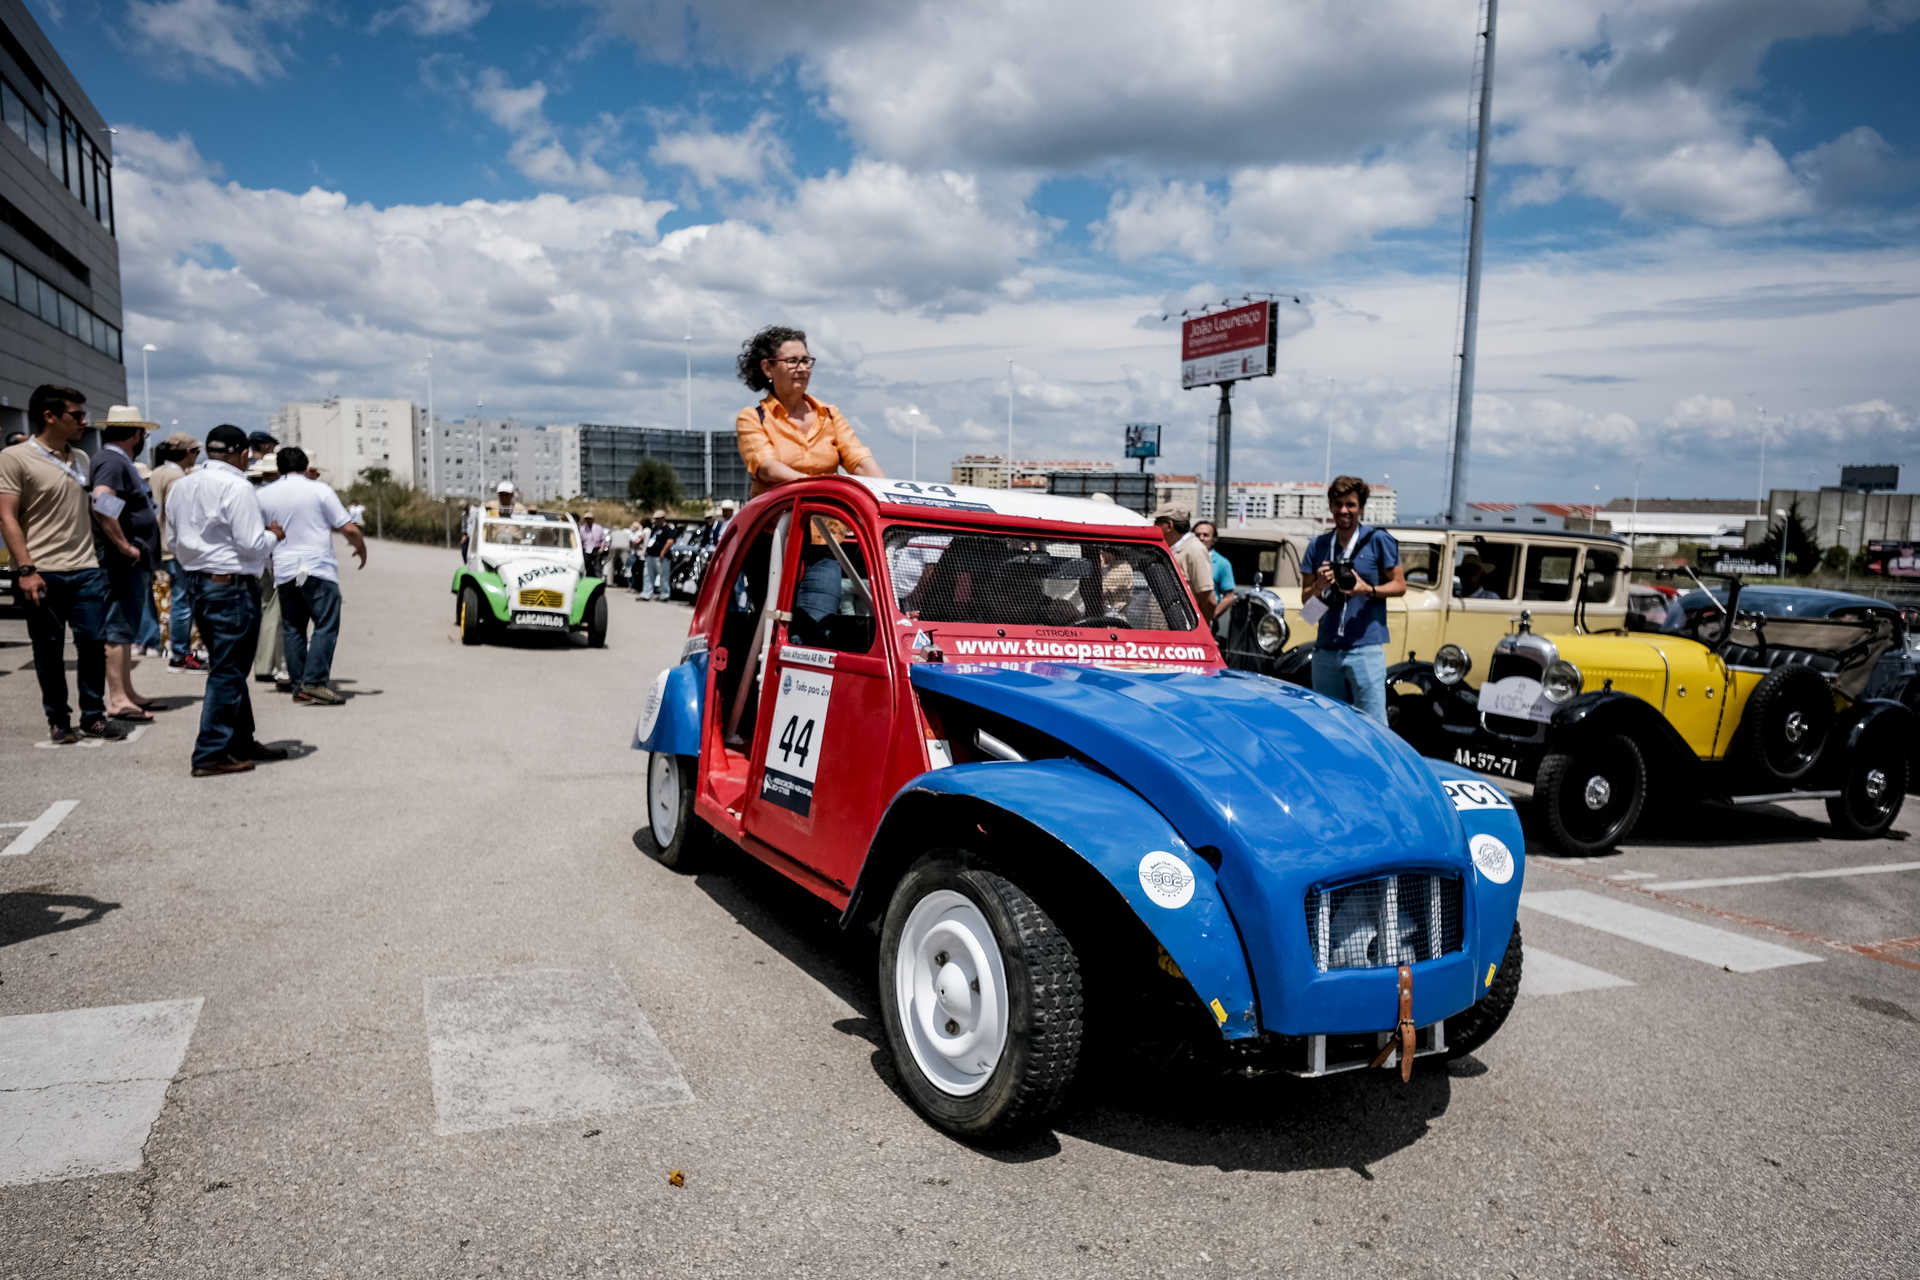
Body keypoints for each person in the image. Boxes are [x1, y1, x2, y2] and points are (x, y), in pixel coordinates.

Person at [0, 385, 125, 743]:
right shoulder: (15, 458)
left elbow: (94, 507)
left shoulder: (82, 459)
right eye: (76, 415)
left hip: (85, 568)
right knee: (49, 650)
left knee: (92, 644)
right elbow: (7, 517)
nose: (84, 422)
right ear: (49, 416)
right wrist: (25, 569)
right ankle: (58, 718)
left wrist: (127, 535)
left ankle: (93, 716)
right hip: (41, 570)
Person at [165, 424, 289, 776]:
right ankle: (210, 752)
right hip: (231, 585)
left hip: (198, 582)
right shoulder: (237, 486)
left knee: (227, 665)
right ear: (241, 452)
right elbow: (252, 543)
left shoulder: (182, 486)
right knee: (228, 672)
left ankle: (240, 741)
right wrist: (274, 535)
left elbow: (173, 540)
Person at [254, 445, 366, 705]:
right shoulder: (320, 490)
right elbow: (347, 528)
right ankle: (314, 681)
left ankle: (299, 685)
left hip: (285, 569)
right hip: (315, 567)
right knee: (326, 623)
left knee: (293, 627)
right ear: (306, 467)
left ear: (279, 468)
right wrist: (361, 547)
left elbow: (257, 530)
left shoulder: (263, 495)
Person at [1301, 475, 1405, 723]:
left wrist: (1366, 589)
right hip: (1327, 649)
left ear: (1361, 508)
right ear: (1330, 507)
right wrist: (1319, 585)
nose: (1344, 511)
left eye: (1350, 505)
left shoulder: (1378, 540)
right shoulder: (1318, 546)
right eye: (1338, 505)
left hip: (1365, 648)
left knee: (1373, 724)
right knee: (1327, 723)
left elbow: (1400, 585)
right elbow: (1307, 603)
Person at [88, 406, 163, 721]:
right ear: (135, 434)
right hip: (122, 561)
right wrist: (124, 545)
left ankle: (127, 693)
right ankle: (118, 699)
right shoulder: (112, 462)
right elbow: (102, 500)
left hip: (129, 559)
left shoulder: (116, 461)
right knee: (118, 629)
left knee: (126, 626)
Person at [149, 431, 205, 672]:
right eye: (195, 452)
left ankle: (177, 650)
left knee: (175, 599)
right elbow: (178, 515)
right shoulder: (176, 477)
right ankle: (180, 653)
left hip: (158, 543)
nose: (196, 456)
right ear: (187, 453)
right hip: (174, 546)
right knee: (183, 601)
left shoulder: (158, 472)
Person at [247, 453, 289, 689]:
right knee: (277, 613)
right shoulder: (278, 497)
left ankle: (262, 662)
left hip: (257, 560)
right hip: (275, 558)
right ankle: (268, 665)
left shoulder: (254, 494)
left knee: (264, 610)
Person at [1152, 504, 1215, 620]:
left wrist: (1199, 631)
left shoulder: (1195, 550)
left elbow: (1208, 599)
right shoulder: (1169, 549)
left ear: (1169, 525)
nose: (1154, 526)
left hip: (1181, 631)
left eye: (1157, 522)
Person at [1193, 520, 1236, 621]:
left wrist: (1211, 616)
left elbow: (1229, 596)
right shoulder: (1185, 558)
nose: (1201, 538)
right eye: (1197, 535)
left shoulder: (1222, 563)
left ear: (1213, 539)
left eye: (1206, 535)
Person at [637, 510, 674, 600]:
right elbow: (651, 541)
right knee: (648, 575)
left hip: (661, 557)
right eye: (655, 519)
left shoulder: (667, 529)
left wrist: (663, 552)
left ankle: (664, 594)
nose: (656, 521)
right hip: (650, 555)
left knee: (663, 576)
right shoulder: (655, 529)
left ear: (663, 519)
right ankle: (646, 593)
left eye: (658, 519)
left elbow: (670, 541)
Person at [578, 512, 608, 579]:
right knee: (586, 564)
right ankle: (586, 578)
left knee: (597, 564)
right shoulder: (582, 528)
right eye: (586, 519)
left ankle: (598, 579)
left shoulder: (599, 528)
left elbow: (603, 539)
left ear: (593, 519)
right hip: (586, 549)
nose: (588, 520)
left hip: (596, 548)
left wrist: (601, 548)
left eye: (589, 519)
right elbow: (580, 540)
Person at [609, 518, 634, 586]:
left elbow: (610, 542)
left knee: (611, 565)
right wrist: (630, 550)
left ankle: (609, 582)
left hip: (614, 547)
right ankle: (630, 582)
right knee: (627, 565)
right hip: (625, 548)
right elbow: (631, 541)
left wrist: (610, 552)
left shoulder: (613, 532)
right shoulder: (626, 533)